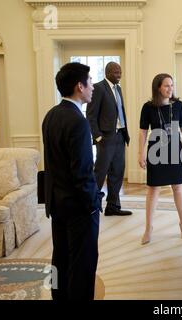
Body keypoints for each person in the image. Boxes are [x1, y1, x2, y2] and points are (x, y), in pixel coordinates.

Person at [42, 62, 104, 300]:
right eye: (90, 82)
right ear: (80, 86)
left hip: (57, 203)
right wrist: (93, 204)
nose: (92, 87)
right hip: (79, 207)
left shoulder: (51, 115)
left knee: (61, 258)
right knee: (83, 265)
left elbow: (54, 164)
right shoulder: (78, 121)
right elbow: (82, 172)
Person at [138, 73, 182, 244]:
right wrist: (140, 153)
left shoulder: (178, 105)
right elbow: (143, 132)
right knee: (153, 189)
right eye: (166, 86)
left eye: (172, 85)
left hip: (174, 149)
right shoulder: (148, 107)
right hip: (155, 149)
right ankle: (149, 228)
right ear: (158, 88)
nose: (171, 89)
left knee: (177, 187)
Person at [86, 62, 132, 216]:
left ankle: (113, 206)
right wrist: (98, 137)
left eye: (120, 71)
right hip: (105, 138)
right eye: (116, 72)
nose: (119, 74)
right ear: (107, 72)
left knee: (117, 172)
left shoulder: (118, 88)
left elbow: (120, 112)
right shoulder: (99, 88)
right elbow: (91, 115)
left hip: (120, 136)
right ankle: (90, 205)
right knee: (100, 173)